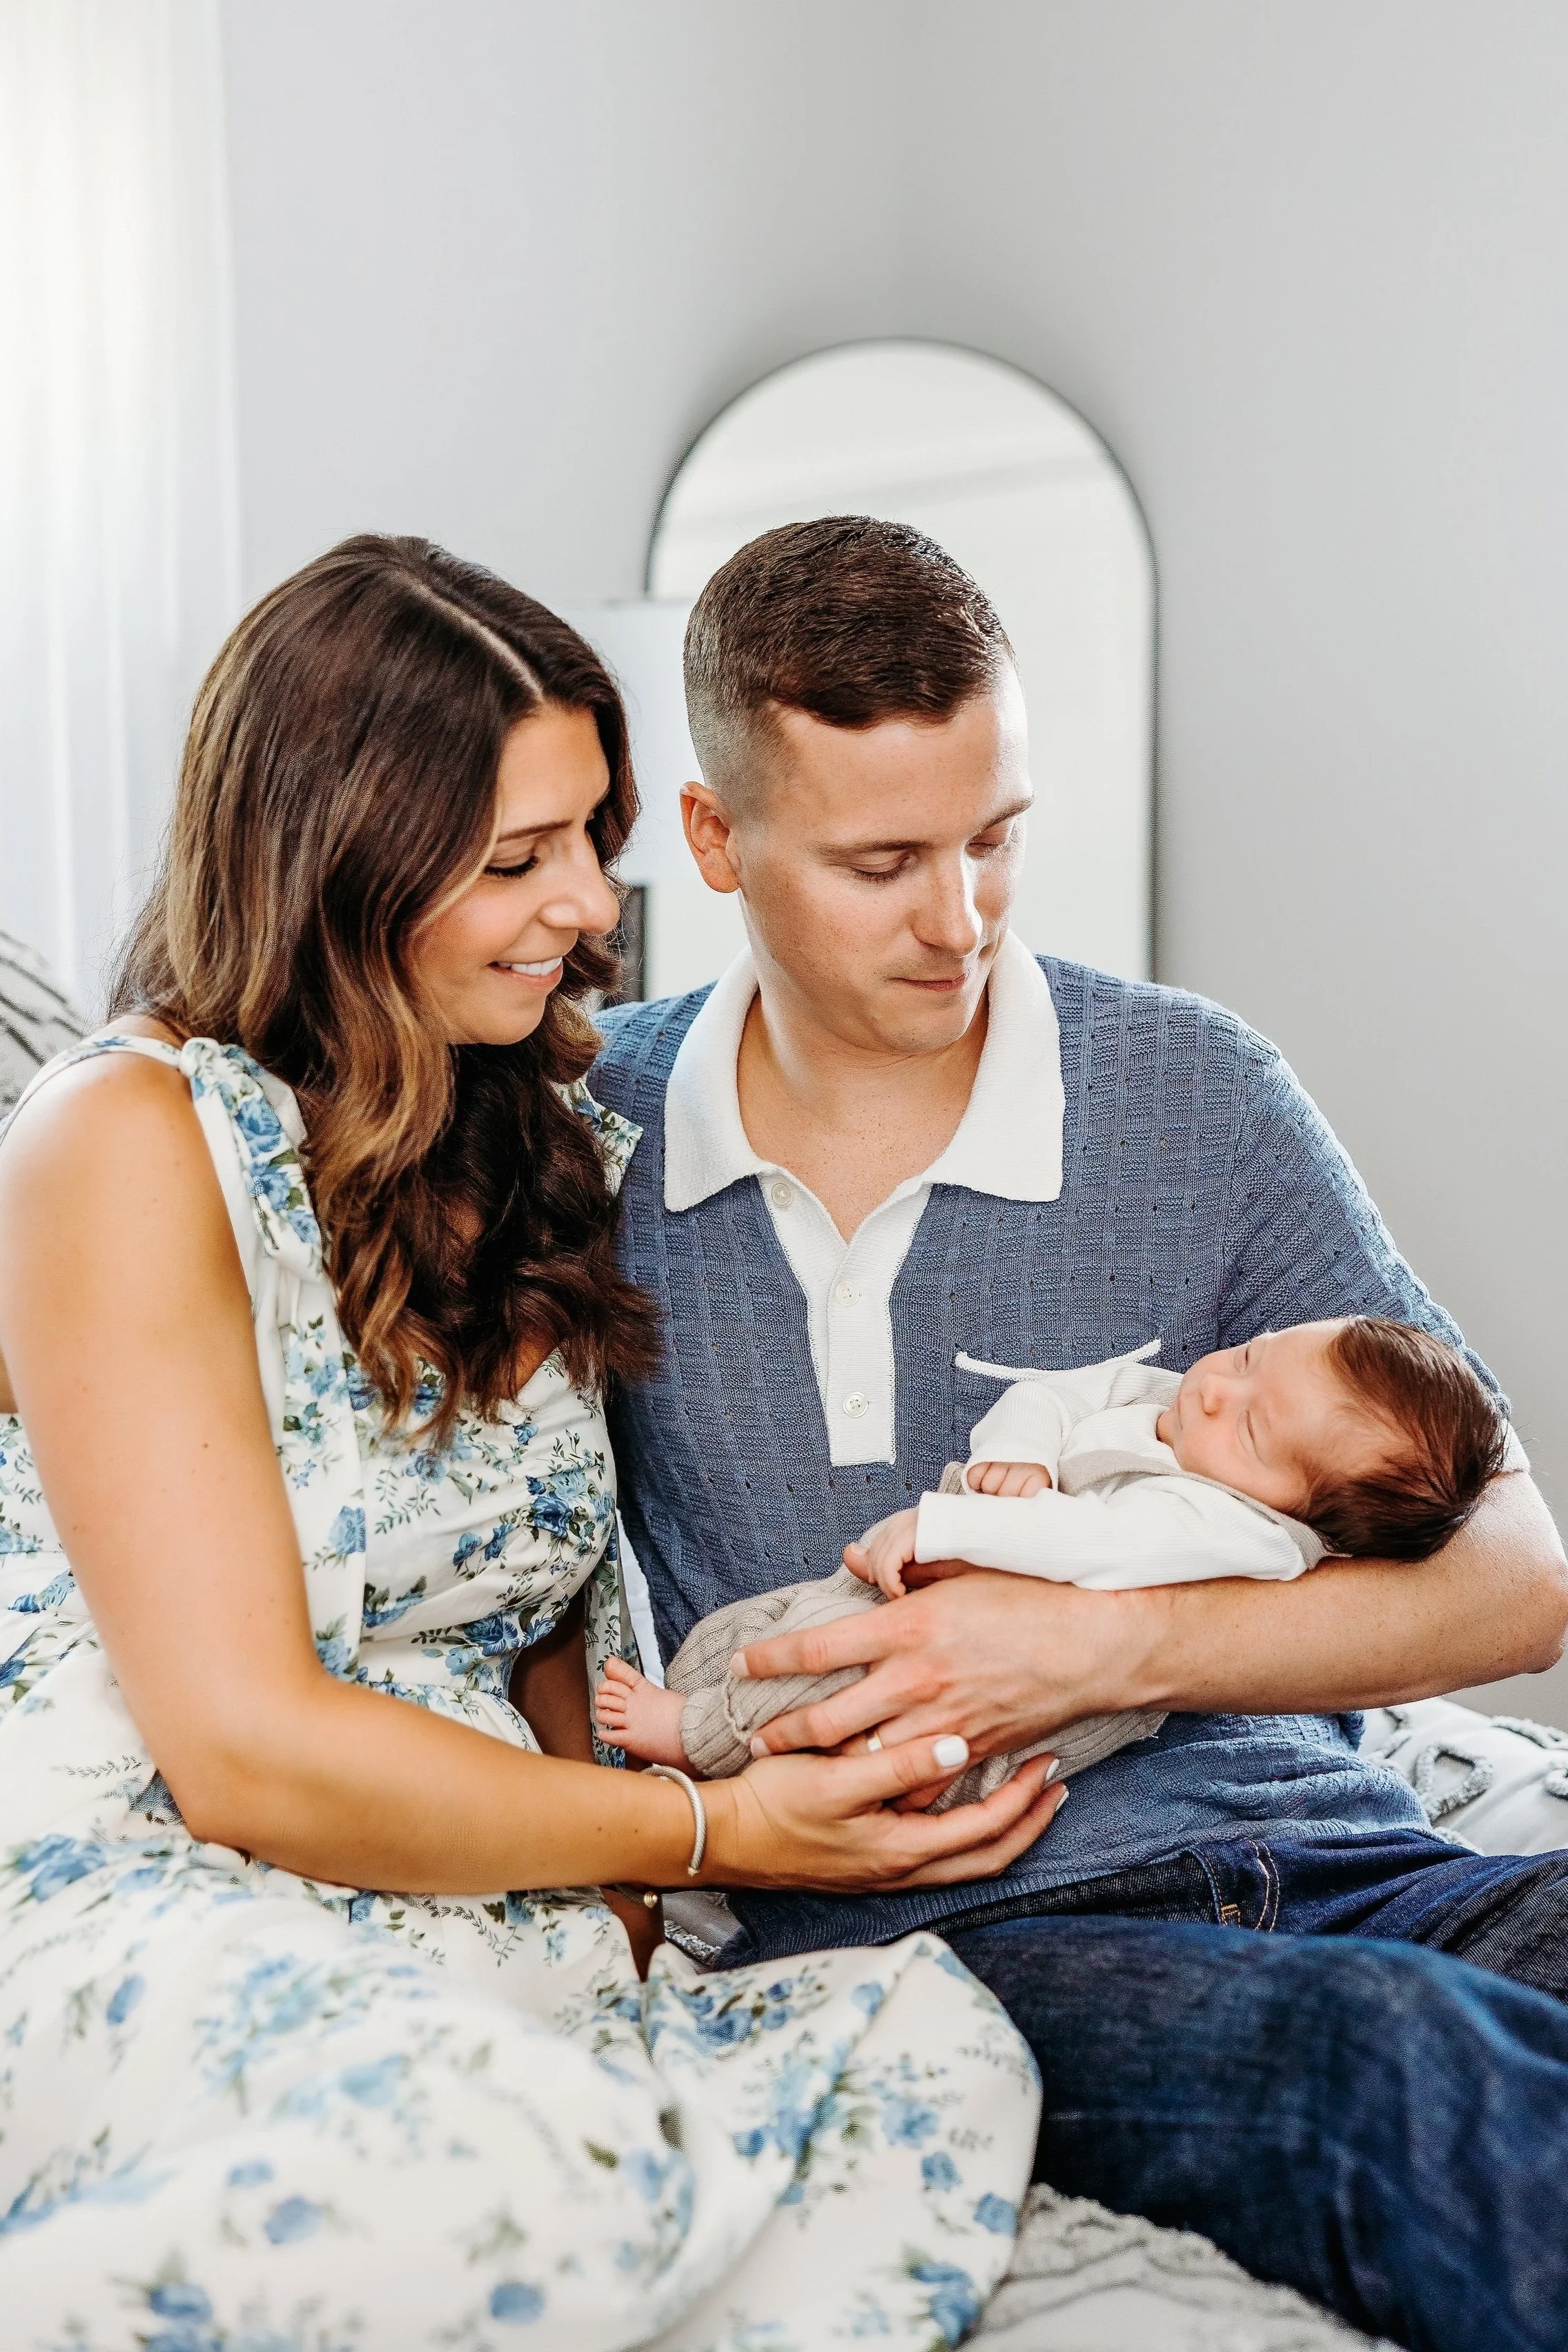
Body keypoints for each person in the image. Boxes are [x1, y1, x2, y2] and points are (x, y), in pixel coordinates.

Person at [0, 536, 1062, 2346]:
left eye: (593, 835)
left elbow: (549, 1613)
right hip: (165, 1889)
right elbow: (244, 1754)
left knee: (930, 2052)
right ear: (341, 865)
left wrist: (632, 1914)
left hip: (491, 1911)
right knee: (515, 2162)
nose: (589, 904)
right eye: (517, 860)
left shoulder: (537, 1141)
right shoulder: (123, 1139)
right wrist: (712, 1835)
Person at [590, 515, 1568, 2349]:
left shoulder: (1192, 1090)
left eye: (995, 840)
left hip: (1346, 1847)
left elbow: (1517, 1580)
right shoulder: (593, 1145)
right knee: (1397, 2066)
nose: (959, 919)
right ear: (717, 841)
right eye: (884, 862)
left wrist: (1101, 1643)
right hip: (970, 1942)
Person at [595, 1316, 1509, 1803]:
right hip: (956, 1591)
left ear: (1312, 1517)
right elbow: (1065, 1392)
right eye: (1249, 1355)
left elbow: (1095, 1546)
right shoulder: (1192, 1416)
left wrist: (947, 1526)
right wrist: (1028, 1452)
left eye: (1255, 1426)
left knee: (836, 1690)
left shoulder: (1242, 1532)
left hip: (1025, 1709)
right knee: (767, 1634)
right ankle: (703, 1703)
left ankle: (698, 1739)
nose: (1216, 1389)